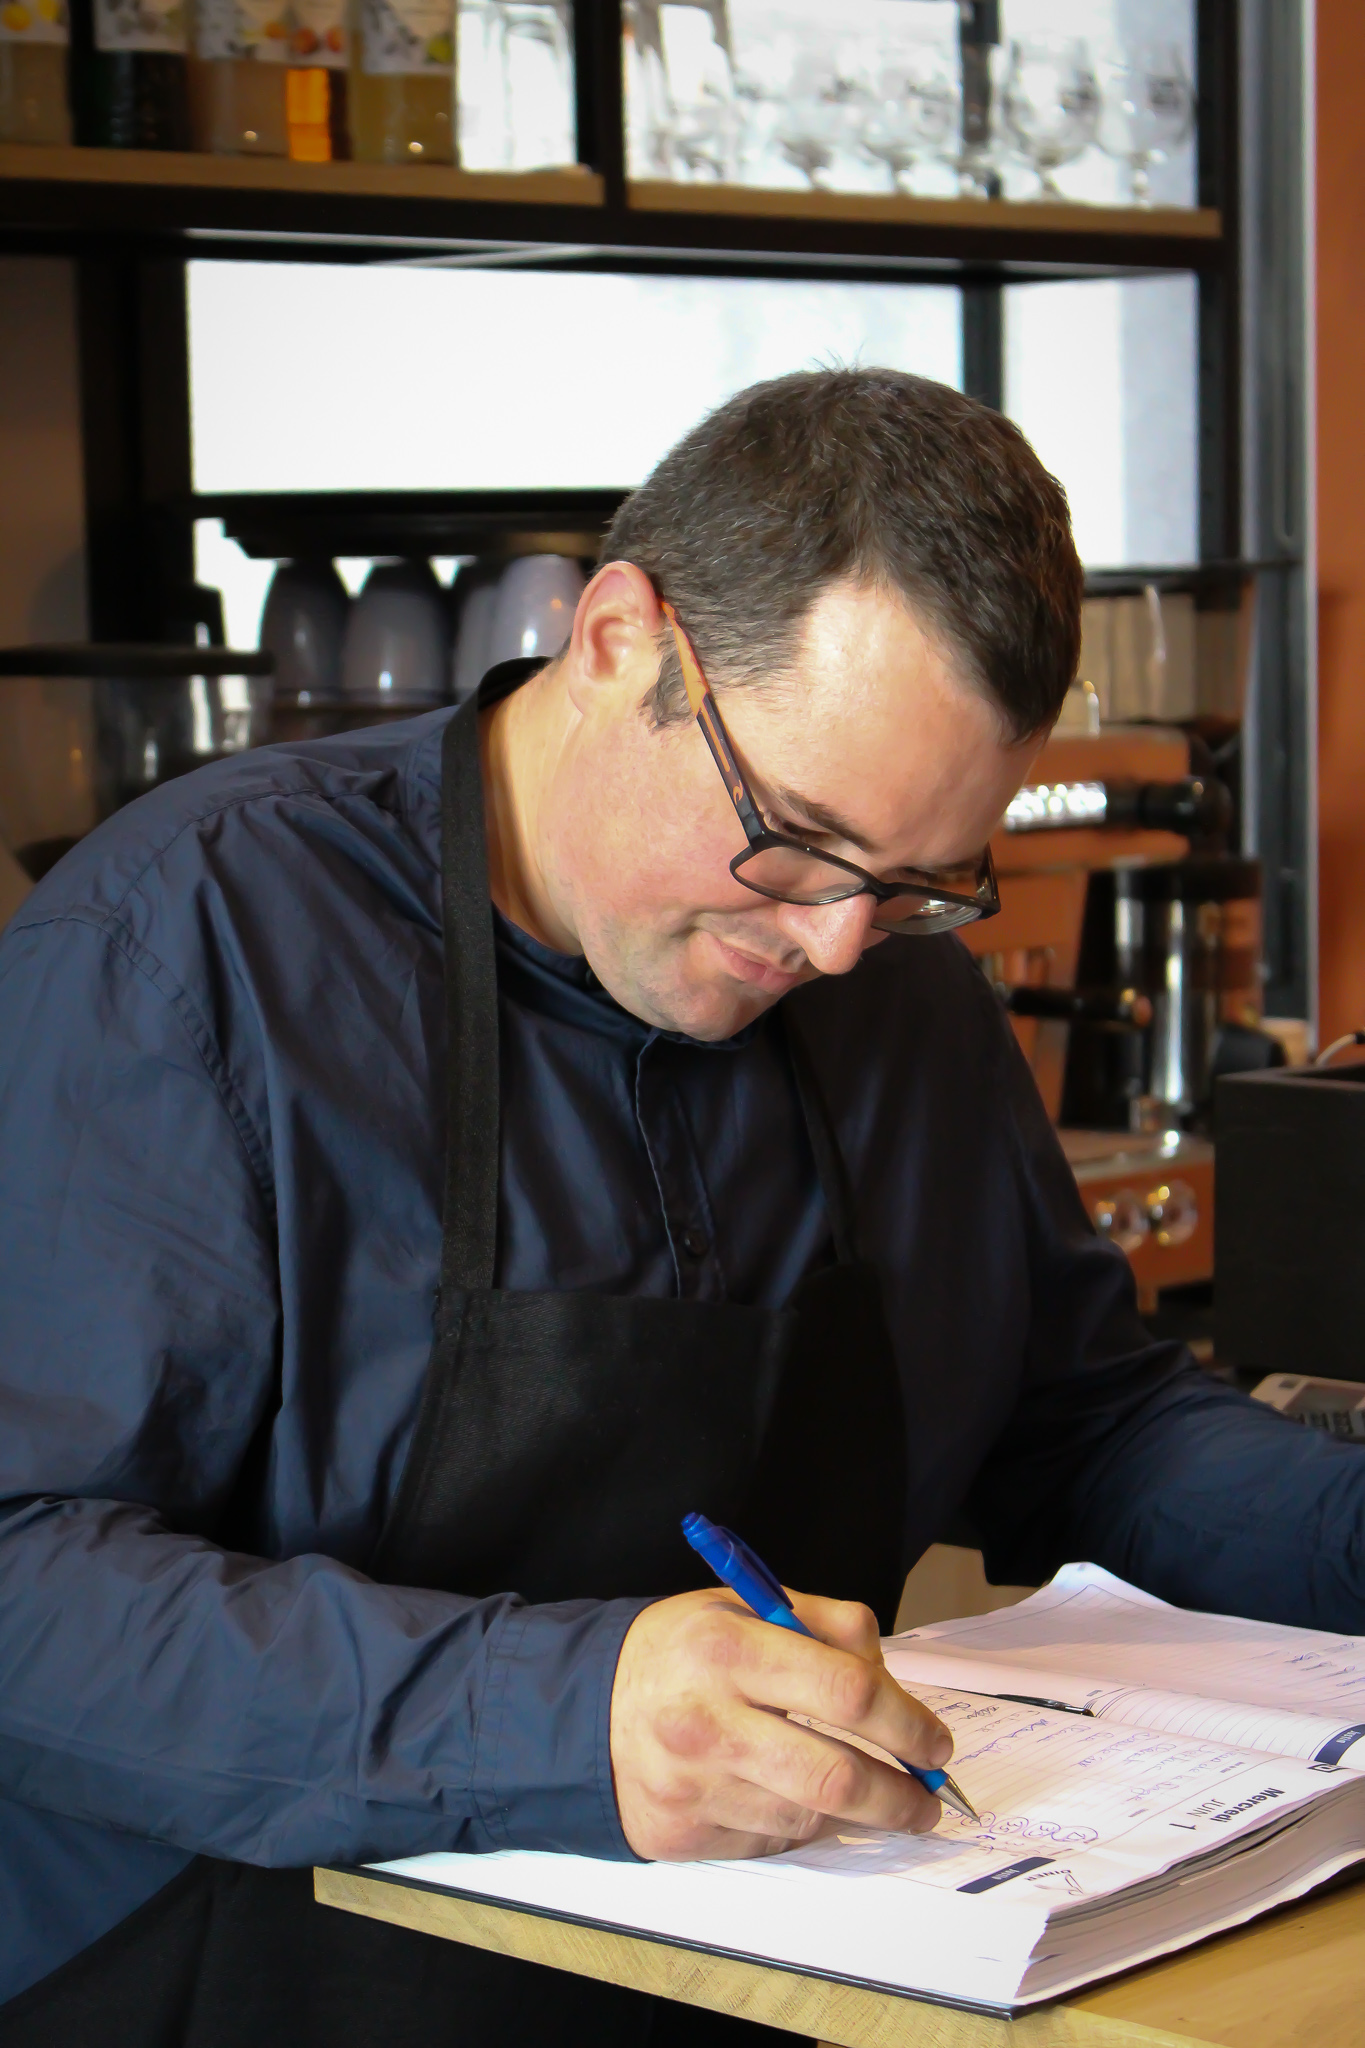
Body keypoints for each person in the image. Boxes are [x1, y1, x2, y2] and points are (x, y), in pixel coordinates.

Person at [0, 368, 1361, 2047]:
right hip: (226, 1974)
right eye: (796, 840)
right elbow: (24, 1590)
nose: (838, 946)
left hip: (767, 1974)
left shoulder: (885, 979)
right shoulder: (186, 946)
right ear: (616, 640)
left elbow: (1080, 1421)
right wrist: (567, 1719)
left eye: (919, 884)